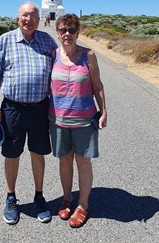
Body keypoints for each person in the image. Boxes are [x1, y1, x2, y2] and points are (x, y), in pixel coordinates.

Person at [0, 1, 57, 225]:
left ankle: (39, 197)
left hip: (39, 109)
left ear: (39, 19)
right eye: (24, 16)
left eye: (33, 16)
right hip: (12, 109)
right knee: (12, 154)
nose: (29, 19)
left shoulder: (47, 41)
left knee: (38, 153)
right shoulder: (5, 40)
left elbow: (64, 65)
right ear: (18, 19)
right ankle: (11, 198)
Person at [49, 13, 107, 228]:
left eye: (72, 30)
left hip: (84, 120)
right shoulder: (52, 55)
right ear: (57, 32)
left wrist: (104, 111)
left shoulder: (88, 55)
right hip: (57, 119)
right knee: (64, 160)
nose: (67, 34)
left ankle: (82, 204)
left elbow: (97, 85)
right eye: (63, 30)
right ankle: (67, 198)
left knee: (83, 161)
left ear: (78, 33)